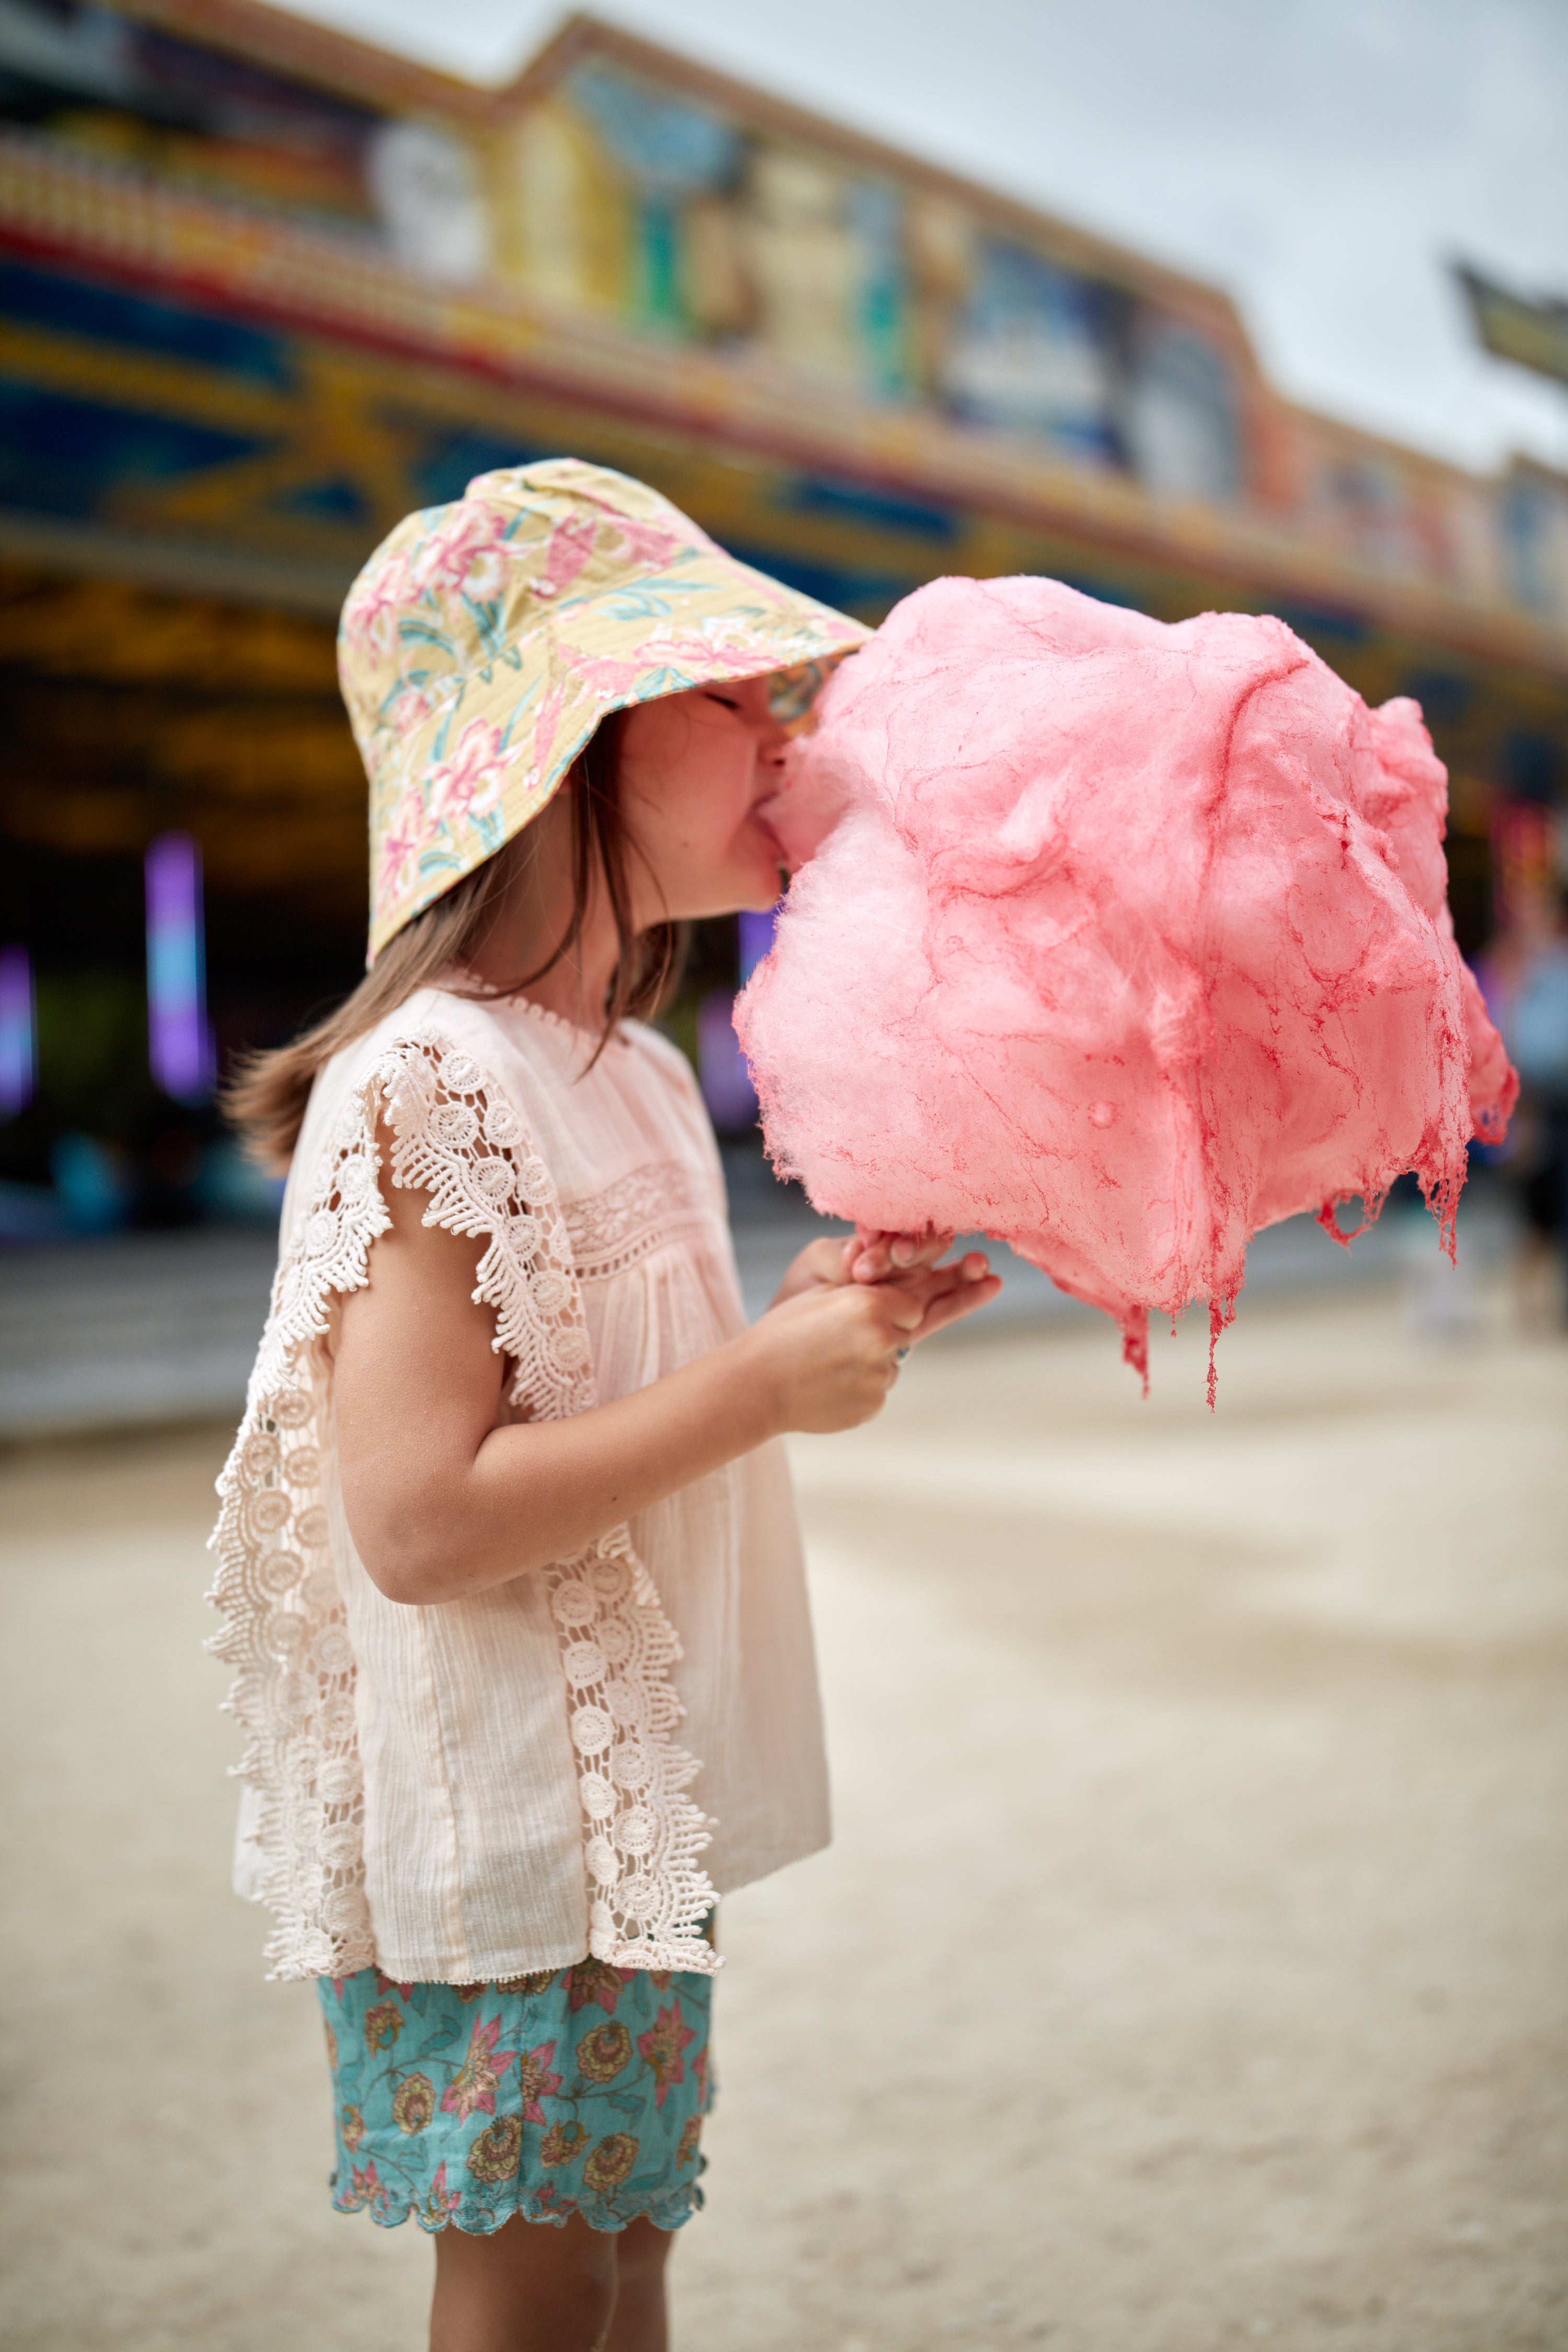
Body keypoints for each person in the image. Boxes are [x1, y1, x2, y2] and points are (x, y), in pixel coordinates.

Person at [214, 459, 1000, 2352]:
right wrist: (757, 1387)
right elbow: (415, 1520)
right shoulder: (426, 1084)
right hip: (500, 1817)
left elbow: (619, 1394)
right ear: (575, 742)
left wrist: (807, 1330)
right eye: (733, 690)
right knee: (536, 2267)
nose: (785, 730)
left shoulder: (636, 1073)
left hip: (620, 1806)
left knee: (632, 2240)